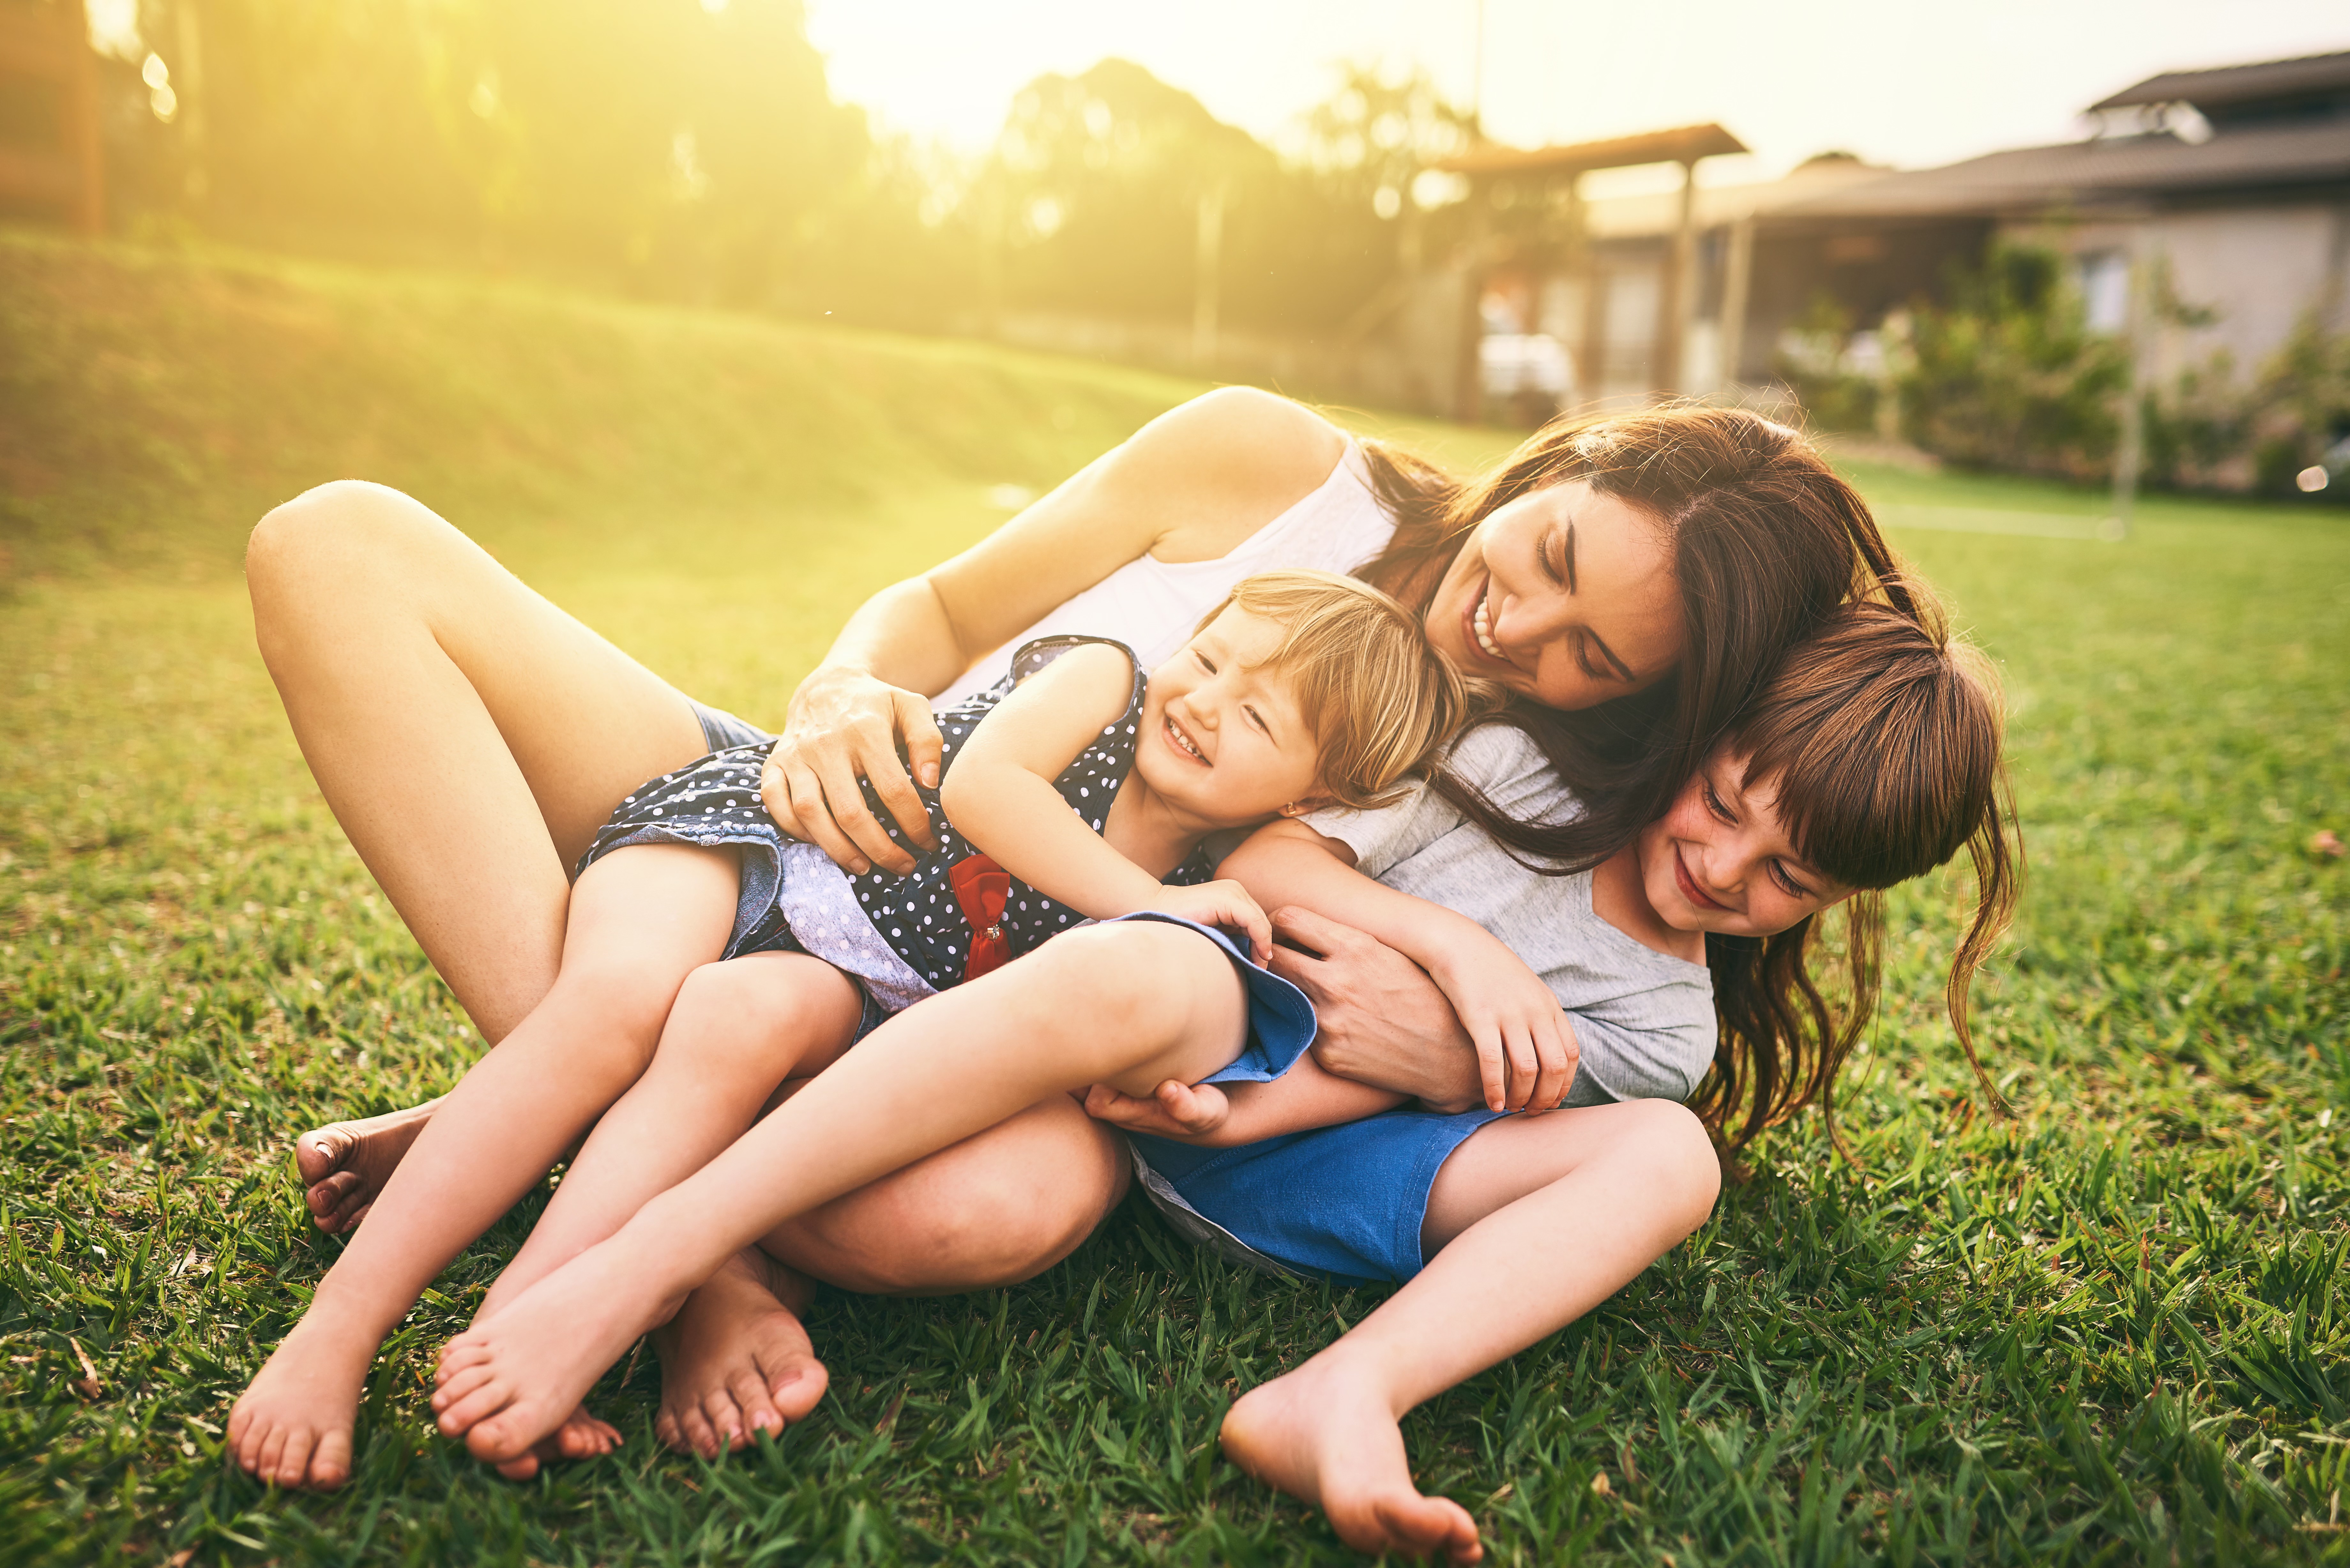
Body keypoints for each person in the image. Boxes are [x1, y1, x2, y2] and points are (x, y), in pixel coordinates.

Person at [228, 396, 1906, 1541]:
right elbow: (936, 608)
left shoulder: (1508, 752)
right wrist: (839, 694)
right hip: (860, 836)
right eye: (1547, 560)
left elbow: (1374, 963)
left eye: (1593, 654)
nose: (1516, 631)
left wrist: (1440, 1016)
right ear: (1560, 460)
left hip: (1017, 1011)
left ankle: (599, 1137)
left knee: (968, 1220)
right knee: (339, 542)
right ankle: (664, 1218)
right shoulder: (1275, 469)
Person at [424, 594, 2018, 1527]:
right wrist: (1454, 953)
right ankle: (663, 1250)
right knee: (1152, 958)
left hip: (1287, 1151)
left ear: (1837, 901)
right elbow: (1274, 862)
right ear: (1701, 740)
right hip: (1165, 1017)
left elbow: (1455, 1092)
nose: (1724, 867)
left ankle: (1342, 1392)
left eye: (1786, 876)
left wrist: (1260, 1107)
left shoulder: (1670, 1025)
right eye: (1726, 804)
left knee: (1671, 1153)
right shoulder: (1510, 769)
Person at [227, 570, 1487, 1479]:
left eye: (1260, 715)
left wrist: (1446, 965)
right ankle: (336, 1333)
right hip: (753, 852)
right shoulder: (1107, 681)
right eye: (1212, 659)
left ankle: (523, 1315)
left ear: (1316, 791)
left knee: (742, 1013)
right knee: (608, 1011)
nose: (1207, 700)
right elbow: (989, 789)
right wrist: (1148, 899)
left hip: (836, 987)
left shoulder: (1225, 872)